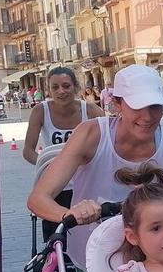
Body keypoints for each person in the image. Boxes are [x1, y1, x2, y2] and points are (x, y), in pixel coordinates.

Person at [27, 64, 163, 270]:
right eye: (137, 107)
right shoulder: (90, 134)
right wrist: (71, 214)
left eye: (155, 106)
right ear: (117, 104)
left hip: (154, 248)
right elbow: (38, 199)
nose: (148, 117)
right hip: (97, 249)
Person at [22, 66, 106, 241]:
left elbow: (110, 140)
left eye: (66, 86)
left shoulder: (90, 110)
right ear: (48, 90)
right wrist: (49, 164)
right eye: (55, 87)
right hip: (57, 186)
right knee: (57, 237)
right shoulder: (41, 111)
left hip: (84, 184)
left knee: (88, 235)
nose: (61, 91)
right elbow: (28, 151)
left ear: (75, 87)